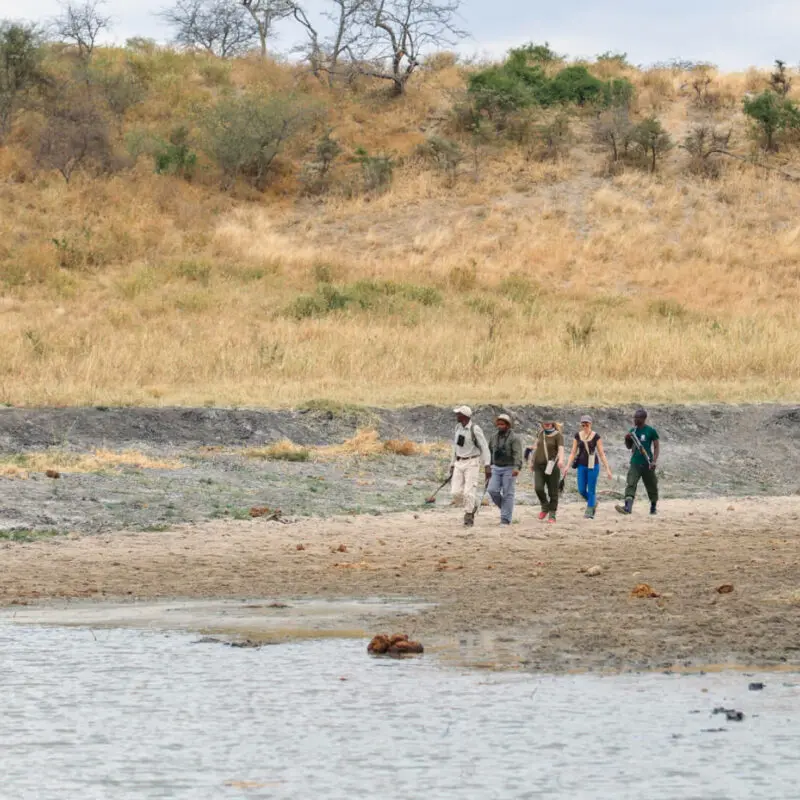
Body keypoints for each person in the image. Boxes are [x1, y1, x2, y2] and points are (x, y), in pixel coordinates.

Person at [564, 415, 613, 519]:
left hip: (593, 466)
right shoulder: (577, 436)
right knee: (581, 489)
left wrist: (607, 469)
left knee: (591, 489)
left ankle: (590, 511)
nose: (585, 425)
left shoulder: (596, 437)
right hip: (581, 466)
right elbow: (573, 452)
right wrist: (567, 466)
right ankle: (593, 502)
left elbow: (601, 453)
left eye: (587, 423)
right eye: (583, 424)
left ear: (591, 424)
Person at [449, 405, 491, 527]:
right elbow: (455, 448)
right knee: (455, 493)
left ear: (465, 416)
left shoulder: (475, 429)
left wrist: (487, 465)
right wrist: (452, 464)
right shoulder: (458, 428)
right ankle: (474, 504)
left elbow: (484, 447)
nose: (456, 416)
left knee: (469, 492)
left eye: (459, 414)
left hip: (472, 462)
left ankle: (468, 516)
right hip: (459, 462)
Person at [615, 408, 660, 516]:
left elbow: (656, 446)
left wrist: (653, 461)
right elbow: (629, 447)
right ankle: (627, 508)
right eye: (634, 417)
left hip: (647, 463)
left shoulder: (650, 431)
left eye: (637, 418)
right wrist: (627, 439)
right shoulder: (633, 431)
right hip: (635, 462)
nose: (635, 419)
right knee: (631, 483)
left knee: (651, 485)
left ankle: (653, 507)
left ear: (643, 419)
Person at [487, 413, 524, 526]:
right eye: (498, 424)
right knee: (492, 490)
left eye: (502, 424)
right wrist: (488, 466)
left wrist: (517, 467)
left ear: (508, 425)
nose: (500, 426)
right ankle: (505, 509)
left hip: (509, 468)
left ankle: (505, 519)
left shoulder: (514, 438)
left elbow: (518, 454)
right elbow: (489, 452)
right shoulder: (493, 437)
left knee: (508, 493)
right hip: (496, 467)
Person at [531, 418, 564, 523]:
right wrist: (531, 461)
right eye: (545, 423)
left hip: (552, 466)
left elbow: (561, 449)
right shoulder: (540, 433)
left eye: (549, 422)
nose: (547, 424)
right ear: (542, 424)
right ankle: (545, 506)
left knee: (553, 491)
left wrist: (561, 460)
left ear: (552, 423)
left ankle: (552, 514)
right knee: (538, 488)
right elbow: (535, 448)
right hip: (539, 466)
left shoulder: (558, 435)